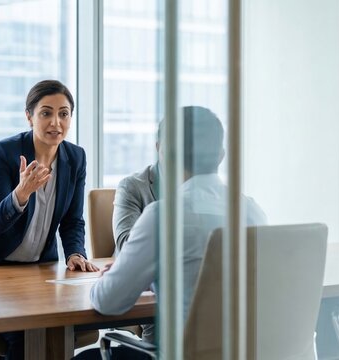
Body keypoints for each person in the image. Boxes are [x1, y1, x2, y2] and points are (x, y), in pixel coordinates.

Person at [78, 106, 268, 359]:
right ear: (221, 155)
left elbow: (107, 301)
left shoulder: (163, 216)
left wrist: (126, 275)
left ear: (168, 153)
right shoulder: (252, 212)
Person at [0, 79, 99, 359]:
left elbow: (72, 220)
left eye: (64, 113)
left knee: (65, 326)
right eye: (46, 113)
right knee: (26, 335)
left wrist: (75, 252)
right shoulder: (2, 153)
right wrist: (21, 193)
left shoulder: (75, 157)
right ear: (29, 116)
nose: (56, 122)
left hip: (37, 271)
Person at [112, 123, 161, 254]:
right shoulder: (131, 186)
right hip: (137, 271)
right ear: (158, 147)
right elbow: (126, 244)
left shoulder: (202, 189)